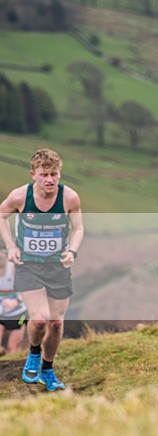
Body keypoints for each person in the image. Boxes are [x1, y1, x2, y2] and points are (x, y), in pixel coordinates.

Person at [0, 148, 84, 391]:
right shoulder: (19, 197)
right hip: (29, 266)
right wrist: (11, 246)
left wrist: (72, 251)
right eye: (44, 174)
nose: (50, 179)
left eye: (54, 174)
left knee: (56, 324)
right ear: (33, 174)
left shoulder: (69, 198)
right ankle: (34, 354)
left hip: (58, 267)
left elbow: (78, 228)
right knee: (39, 320)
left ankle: (47, 369)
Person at [0, 248, 28, 355]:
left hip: (19, 314)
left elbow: (28, 290)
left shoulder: (14, 269)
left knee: (13, 347)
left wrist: (16, 301)